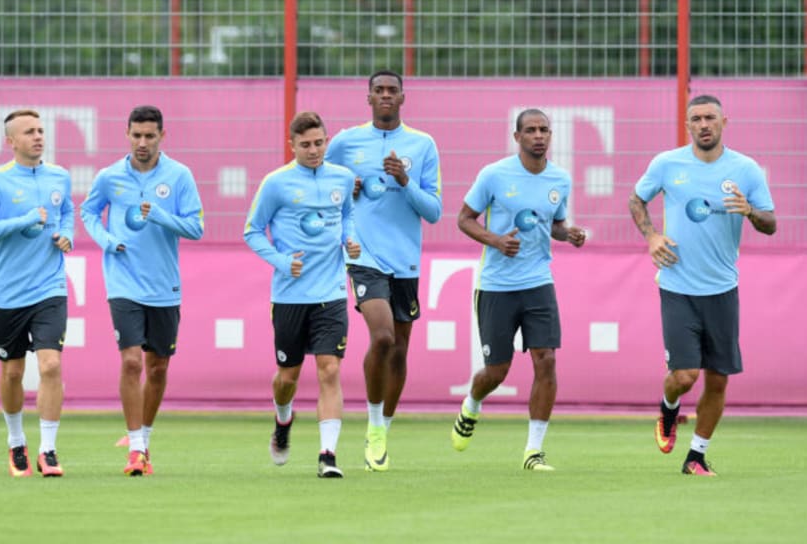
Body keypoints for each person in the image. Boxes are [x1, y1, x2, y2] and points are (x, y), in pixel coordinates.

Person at [629, 94, 776, 476]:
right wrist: (652, 237)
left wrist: (751, 212)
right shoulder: (667, 163)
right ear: (688, 125)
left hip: (723, 289)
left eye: (710, 118)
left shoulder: (745, 169)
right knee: (684, 376)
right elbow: (636, 200)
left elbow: (770, 223)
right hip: (677, 285)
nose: (704, 124)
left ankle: (695, 456)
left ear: (725, 121)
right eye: (696, 119)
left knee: (717, 379)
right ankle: (668, 405)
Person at [448, 109, 586, 470]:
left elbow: (554, 225)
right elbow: (463, 219)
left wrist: (568, 233)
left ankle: (533, 451)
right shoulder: (494, 175)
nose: (538, 136)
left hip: (538, 282)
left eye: (544, 130)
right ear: (517, 137)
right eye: (531, 130)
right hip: (497, 286)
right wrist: (495, 240)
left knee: (547, 361)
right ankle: (472, 405)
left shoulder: (560, 179)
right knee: (497, 371)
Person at [324, 69, 442, 472]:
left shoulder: (422, 145)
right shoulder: (344, 142)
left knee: (400, 349)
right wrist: (346, 187)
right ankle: (373, 422)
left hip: (404, 260)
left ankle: (384, 428)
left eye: (393, 91)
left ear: (403, 98)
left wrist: (405, 180)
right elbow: (318, 184)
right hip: (362, 256)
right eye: (379, 91)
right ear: (368, 97)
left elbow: (435, 211)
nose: (386, 96)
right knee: (383, 337)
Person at [80, 105, 205, 476]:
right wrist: (106, 240)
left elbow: (196, 227)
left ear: (162, 137)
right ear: (127, 134)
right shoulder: (109, 177)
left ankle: (144, 437)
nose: (142, 142)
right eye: (136, 135)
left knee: (158, 366)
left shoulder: (179, 176)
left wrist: (159, 214)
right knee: (132, 360)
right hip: (123, 281)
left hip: (164, 286)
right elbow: (88, 212)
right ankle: (135, 449)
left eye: (150, 136)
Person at [243, 111, 361, 479]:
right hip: (290, 297)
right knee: (287, 377)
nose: (313, 150)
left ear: (327, 141)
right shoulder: (276, 183)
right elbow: (252, 231)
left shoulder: (341, 178)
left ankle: (328, 455)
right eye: (306, 144)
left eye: (319, 143)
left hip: (331, 293)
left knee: (329, 369)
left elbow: (348, 215)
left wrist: (350, 241)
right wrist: (280, 261)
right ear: (291, 145)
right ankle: (283, 420)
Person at [0, 109, 74, 478]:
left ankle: (48, 450)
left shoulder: (59, 175)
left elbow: (67, 214)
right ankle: (17, 443)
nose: (38, 136)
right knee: (12, 372)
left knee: (51, 364)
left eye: (41, 130)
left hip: (50, 287)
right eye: (29, 132)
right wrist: (26, 219)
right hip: (9, 294)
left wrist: (67, 236)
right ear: (11, 141)